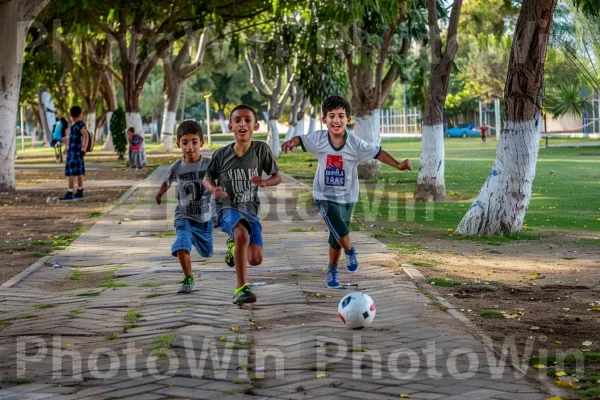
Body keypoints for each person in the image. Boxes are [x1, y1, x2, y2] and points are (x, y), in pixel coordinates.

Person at [281, 95, 412, 288]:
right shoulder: (318, 139)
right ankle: (350, 251)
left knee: (336, 236)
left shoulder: (355, 144)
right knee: (340, 229)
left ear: (348, 119)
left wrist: (399, 165)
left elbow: (378, 152)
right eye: (331, 116)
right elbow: (300, 139)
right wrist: (292, 142)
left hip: (348, 197)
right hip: (323, 196)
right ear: (324, 119)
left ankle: (332, 272)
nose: (336, 120)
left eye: (341, 116)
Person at [203, 105, 281, 306]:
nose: (242, 124)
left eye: (247, 120)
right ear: (231, 126)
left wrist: (264, 182)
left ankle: (232, 248)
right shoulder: (221, 155)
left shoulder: (261, 149)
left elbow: (277, 177)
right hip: (225, 207)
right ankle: (241, 288)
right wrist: (214, 190)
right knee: (241, 234)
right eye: (237, 120)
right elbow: (206, 179)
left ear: (255, 125)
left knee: (255, 259)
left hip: (250, 210)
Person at [155, 120, 214, 294]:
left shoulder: (209, 164)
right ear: (178, 144)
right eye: (185, 142)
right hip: (184, 216)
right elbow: (166, 182)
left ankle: (193, 239)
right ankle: (188, 278)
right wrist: (160, 193)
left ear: (201, 143)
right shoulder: (177, 167)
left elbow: (220, 182)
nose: (190, 147)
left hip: (205, 217)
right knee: (181, 244)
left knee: (207, 253)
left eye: (194, 142)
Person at [60, 107, 89, 201]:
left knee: (71, 172)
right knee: (78, 171)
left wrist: (84, 146)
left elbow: (85, 134)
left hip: (74, 152)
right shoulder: (75, 125)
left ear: (71, 116)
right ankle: (80, 191)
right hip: (74, 151)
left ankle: (70, 191)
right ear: (80, 114)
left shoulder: (79, 124)